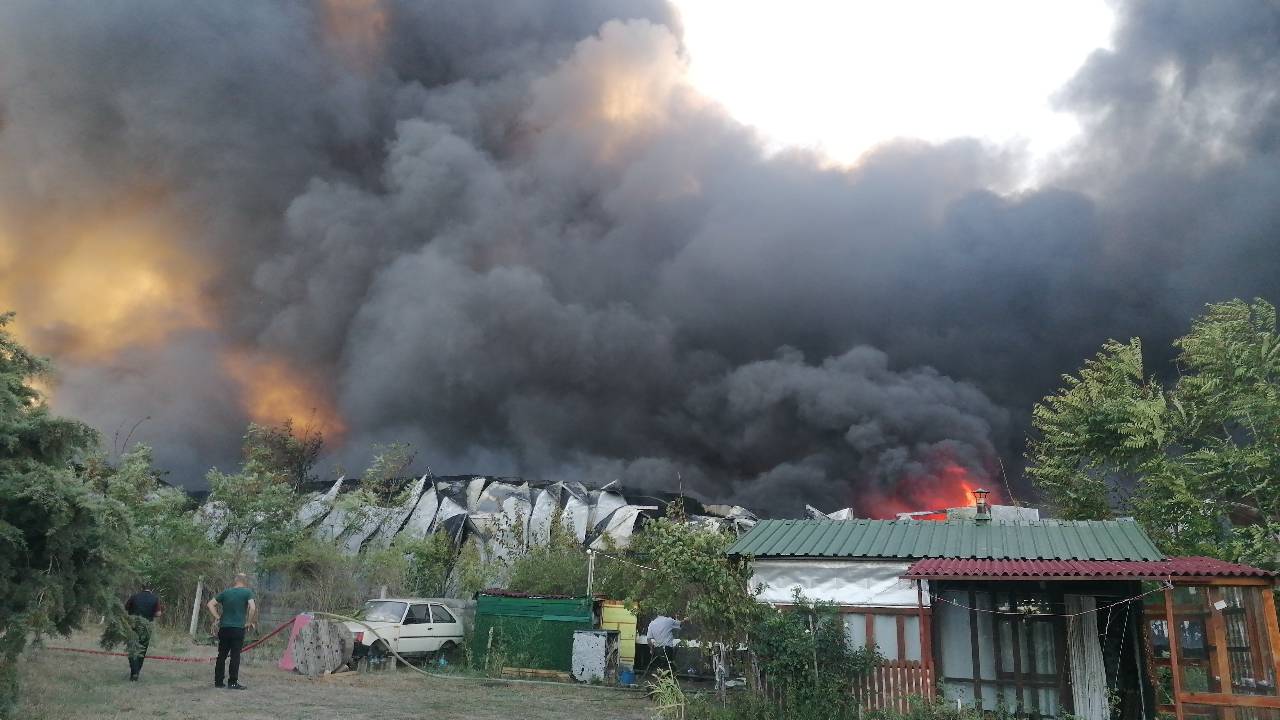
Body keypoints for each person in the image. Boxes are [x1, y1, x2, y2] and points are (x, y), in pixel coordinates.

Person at [206, 573, 257, 690]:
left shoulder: (226, 592)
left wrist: (218, 617)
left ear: (235, 581)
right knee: (235, 655)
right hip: (238, 628)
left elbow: (210, 604)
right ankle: (232, 682)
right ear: (245, 581)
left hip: (224, 628)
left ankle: (218, 681)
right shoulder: (247, 592)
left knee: (221, 655)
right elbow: (252, 607)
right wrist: (249, 622)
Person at [124, 585, 164, 681]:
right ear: (151, 589)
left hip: (133, 626)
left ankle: (134, 671)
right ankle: (136, 671)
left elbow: (126, 607)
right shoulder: (155, 599)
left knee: (132, 648)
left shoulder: (134, 596)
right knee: (142, 649)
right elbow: (158, 614)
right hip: (146, 627)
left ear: (141, 588)